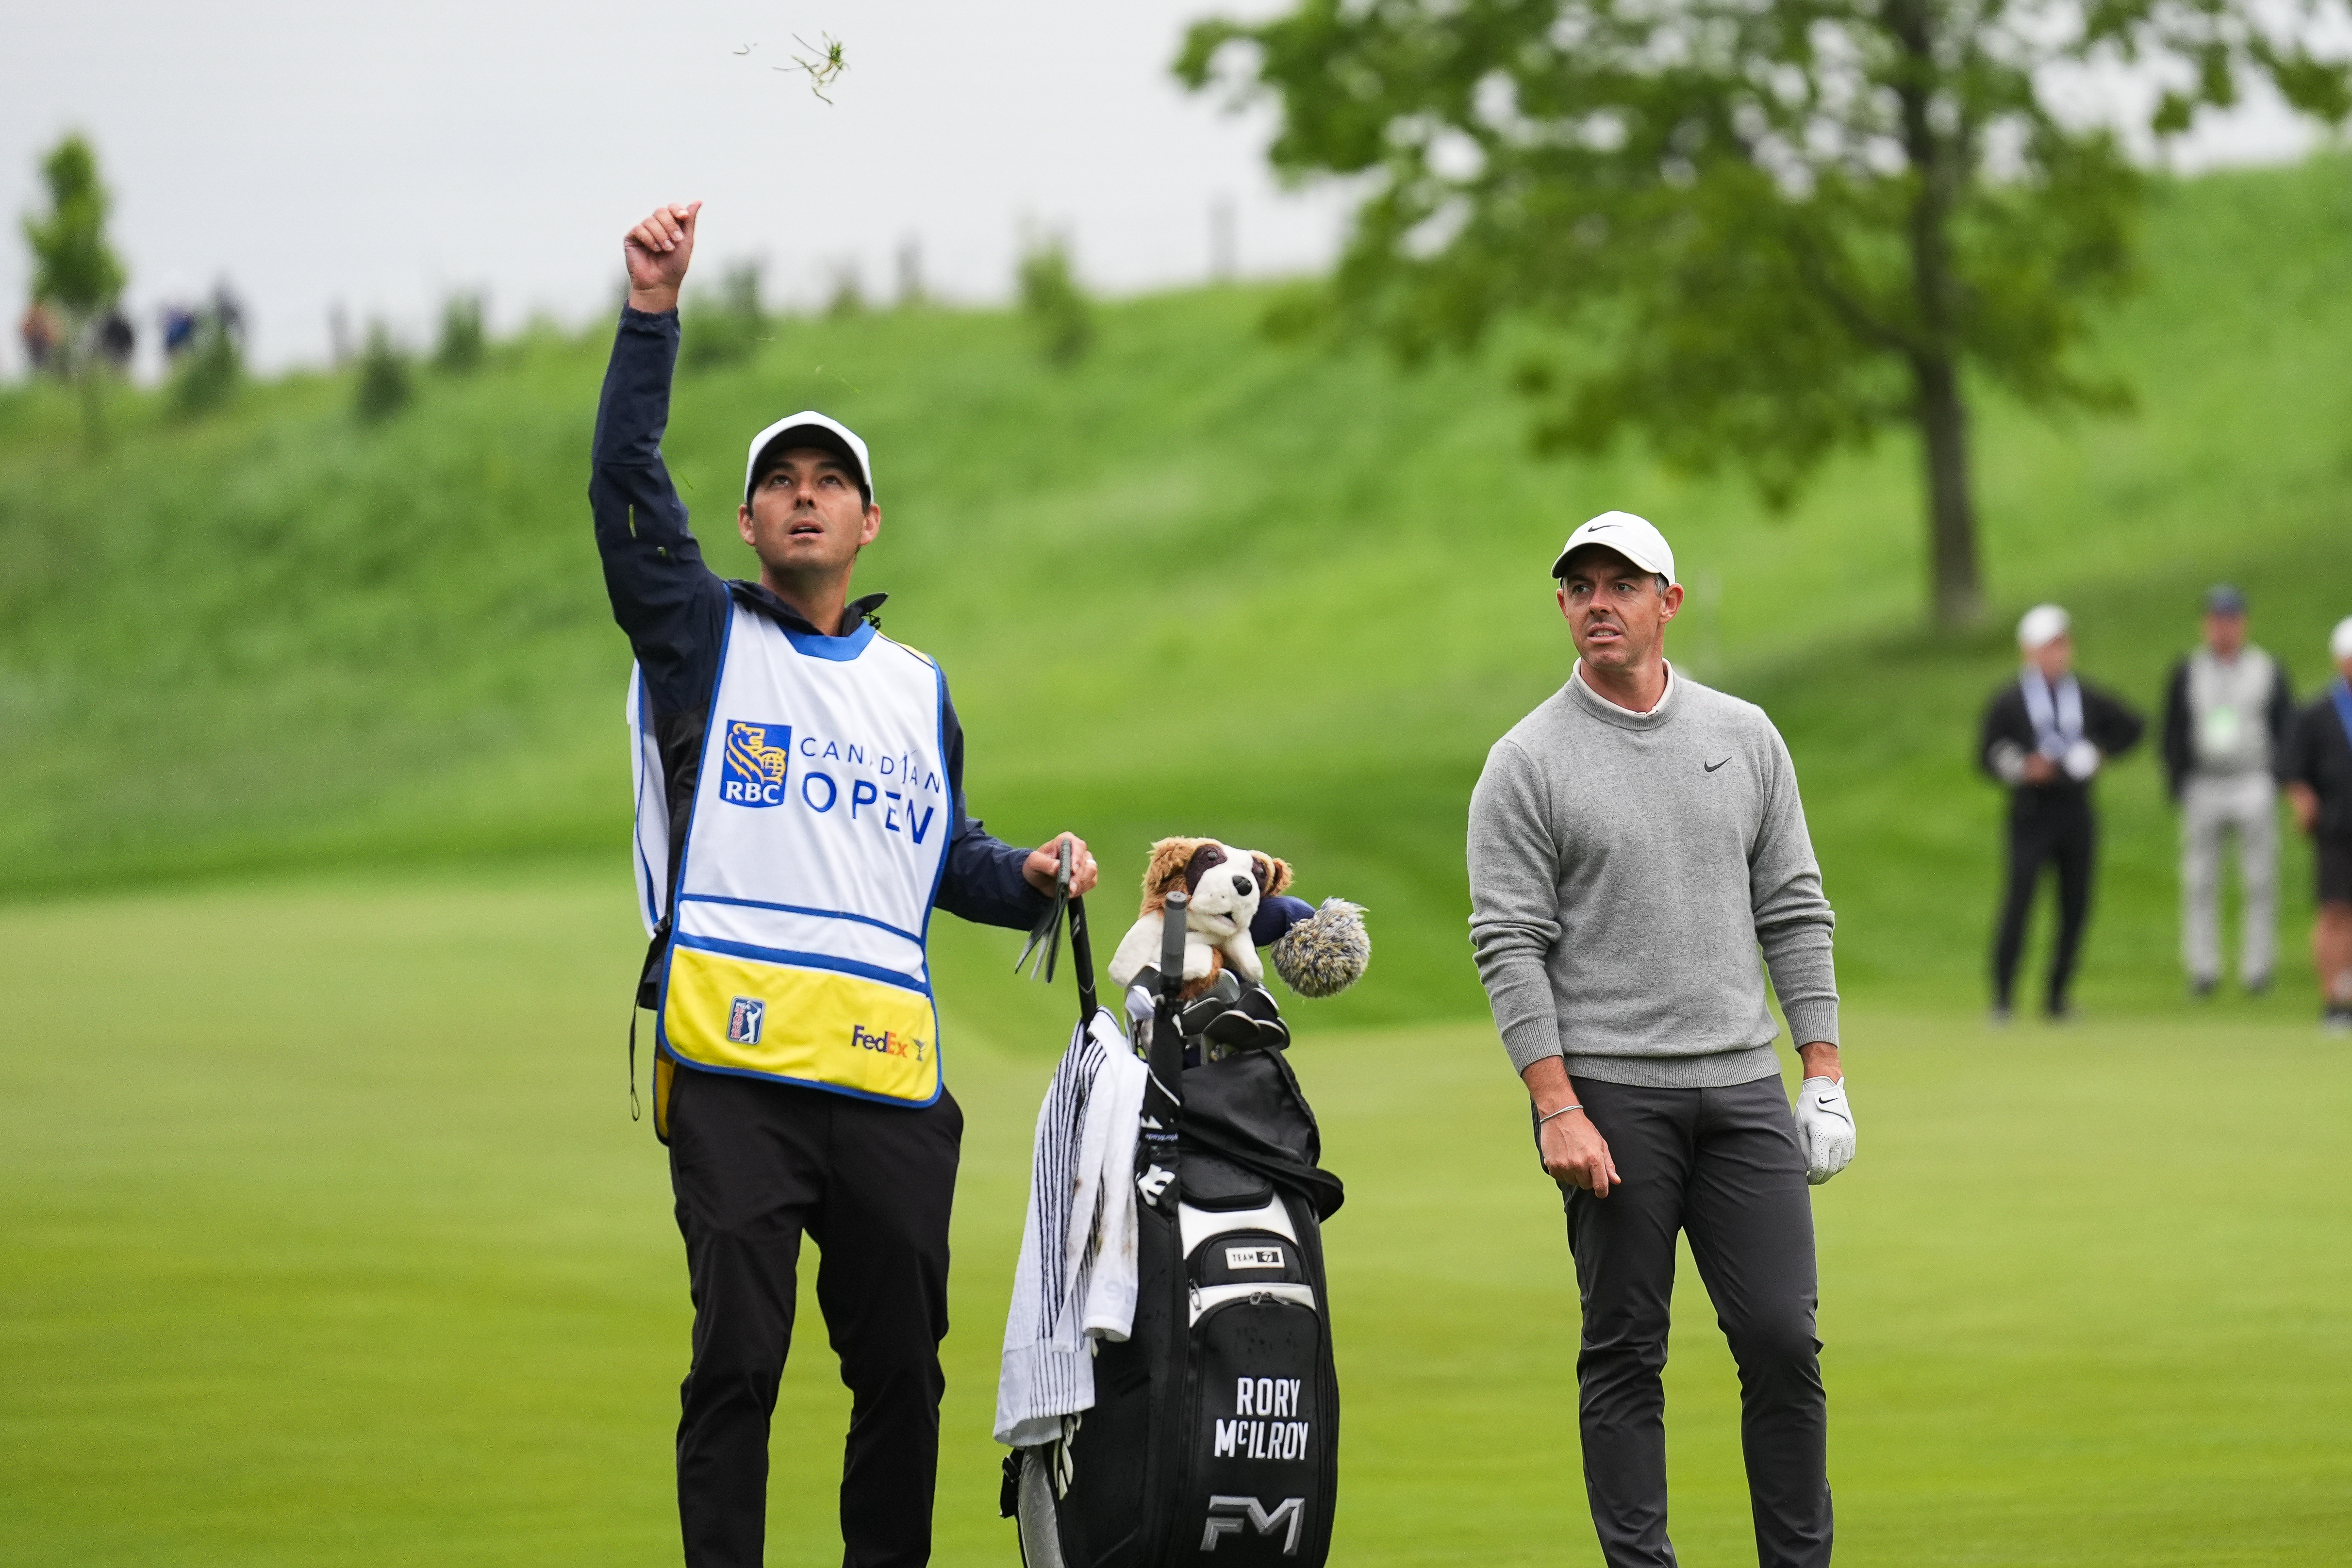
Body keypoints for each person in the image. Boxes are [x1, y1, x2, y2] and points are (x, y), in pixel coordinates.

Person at [591, 198, 1100, 1568]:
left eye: (830, 480)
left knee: (901, 1378)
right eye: (781, 479)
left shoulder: (915, 690)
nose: (804, 492)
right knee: (737, 1362)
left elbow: (941, 859)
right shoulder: (700, 636)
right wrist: (652, 313)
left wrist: (1030, 875)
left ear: (869, 521)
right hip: (737, 1069)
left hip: (886, 1082)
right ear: (749, 518)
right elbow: (624, 478)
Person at [1468, 511, 1855, 1568]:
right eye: (1580, 586)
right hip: (1609, 1096)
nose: (1598, 603)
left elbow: (1794, 908)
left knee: (1782, 1339)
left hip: (1741, 1087)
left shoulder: (1744, 735)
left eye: (1622, 584)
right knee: (1625, 1353)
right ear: (1562, 604)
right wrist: (1555, 1104)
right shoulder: (1525, 761)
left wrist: (1821, 1069)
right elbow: (1508, 943)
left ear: (1666, 602)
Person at [1979, 605, 2144, 1021]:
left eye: (2062, 644)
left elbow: (2133, 727)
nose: (2058, 653)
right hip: (2031, 811)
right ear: (2030, 650)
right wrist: (2023, 767)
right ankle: (2003, 997)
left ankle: (2057, 996)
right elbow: (1987, 754)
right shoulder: (2010, 700)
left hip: (2076, 811)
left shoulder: (2084, 695)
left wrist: (2100, 753)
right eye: (2049, 645)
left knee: (2075, 905)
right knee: (2019, 902)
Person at [2160, 585, 2295, 997]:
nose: (2224, 628)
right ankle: (2204, 968)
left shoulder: (2266, 668)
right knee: (2200, 881)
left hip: (2252, 778)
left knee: (2260, 880)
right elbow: (2173, 728)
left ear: (2243, 623)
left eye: (2232, 619)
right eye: (2217, 620)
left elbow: (2285, 726)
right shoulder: (2189, 670)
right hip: (2204, 781)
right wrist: (2177, 780)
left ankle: (2258, 969)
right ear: (2206, 624)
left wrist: (2280, 778)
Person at [2285, 616, 2352, 1032]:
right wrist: (2302, 800)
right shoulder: (2317, 713)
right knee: (2335, 913)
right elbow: (2292, 768)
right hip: (2337, 825)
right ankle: (2334, 1001)